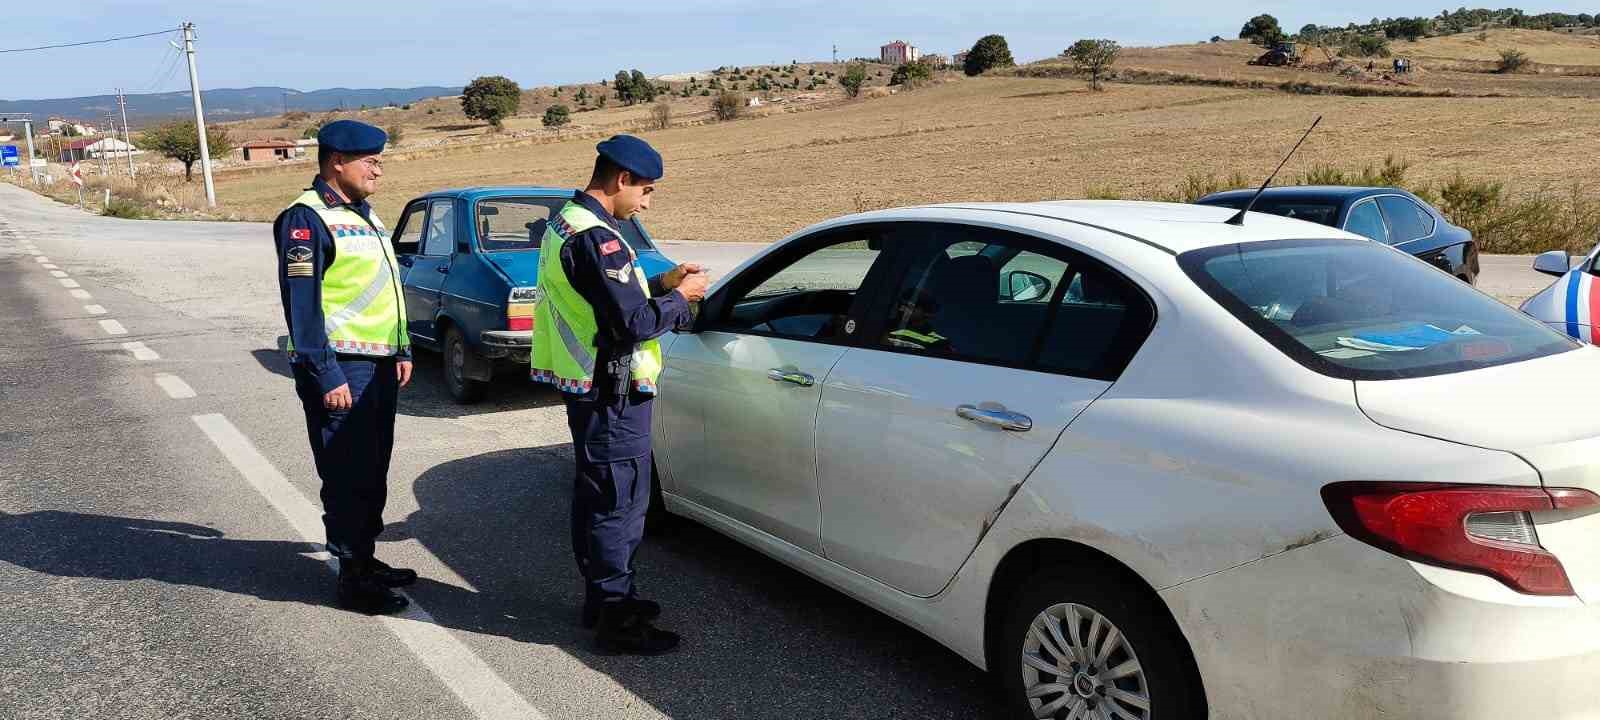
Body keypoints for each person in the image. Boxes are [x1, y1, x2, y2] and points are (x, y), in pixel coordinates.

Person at [529, 134, 710, 654]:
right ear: (621, 180)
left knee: (597, 499)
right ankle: (616, 617)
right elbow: (630, 324)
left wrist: (660, 282)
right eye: (646, 191)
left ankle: (603, 599)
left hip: (591, 386)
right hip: (613, 391)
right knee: (619, 504)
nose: (647, 203)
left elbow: (607, 298)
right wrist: (681, 297)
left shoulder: (569, 220)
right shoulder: (598, 236)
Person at [273, 119, 416, 615]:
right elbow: (303, 307)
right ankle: (353, 578)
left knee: (373, 467)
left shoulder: (364, 215)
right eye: (370, 161)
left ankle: (365, 557)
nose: (378, 169)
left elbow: (383, 291)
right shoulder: (305, 218)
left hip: (376, 365)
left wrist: (401, 348)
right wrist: (325, 373)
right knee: (349, 471)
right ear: (337, 161)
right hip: (342, 367)